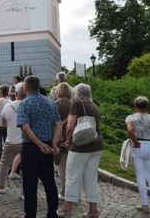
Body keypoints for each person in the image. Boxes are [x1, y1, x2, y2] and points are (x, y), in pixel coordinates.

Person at [17, 75, 62, 218]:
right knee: (50, 183)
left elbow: (25, 127)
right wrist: (54, 142)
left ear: (26, 87)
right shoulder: (49, 102)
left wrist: (39, 144)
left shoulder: (24, 104)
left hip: (31, 147)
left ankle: (30, 215)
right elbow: (58, 124)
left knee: (30, 185)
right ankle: (52, 213)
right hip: (48, 146)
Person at [58, 83, 103, 218]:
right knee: (91, 177)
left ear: (77, 93)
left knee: (72, 176)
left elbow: (70, 126)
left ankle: (66, 208)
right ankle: (93, 210)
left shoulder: (77, 104)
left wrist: (69, 141)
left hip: (80, 146)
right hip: (96, 145)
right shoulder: (94, 106)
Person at [0, 82, 26, 194]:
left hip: (11, 139)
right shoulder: (28, 105)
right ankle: (25, 192)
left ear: (15, 93)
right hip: (26, 140)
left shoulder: (8, 105)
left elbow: (4, 123)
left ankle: (1, 186)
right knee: (28, 167)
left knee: (4, 163)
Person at [53, 82, 73, 200]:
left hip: (60, 137)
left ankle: (64, 192)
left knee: (62, 167)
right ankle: (74, 192)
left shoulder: (55, 104)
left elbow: (52, 121)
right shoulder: (74, 104)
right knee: (72, 167)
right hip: (72, 137)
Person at [0, 84, 11, 163]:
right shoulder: (10, 100)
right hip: (7, 123)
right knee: (7, 140)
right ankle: (7, 157)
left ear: (1, 92)